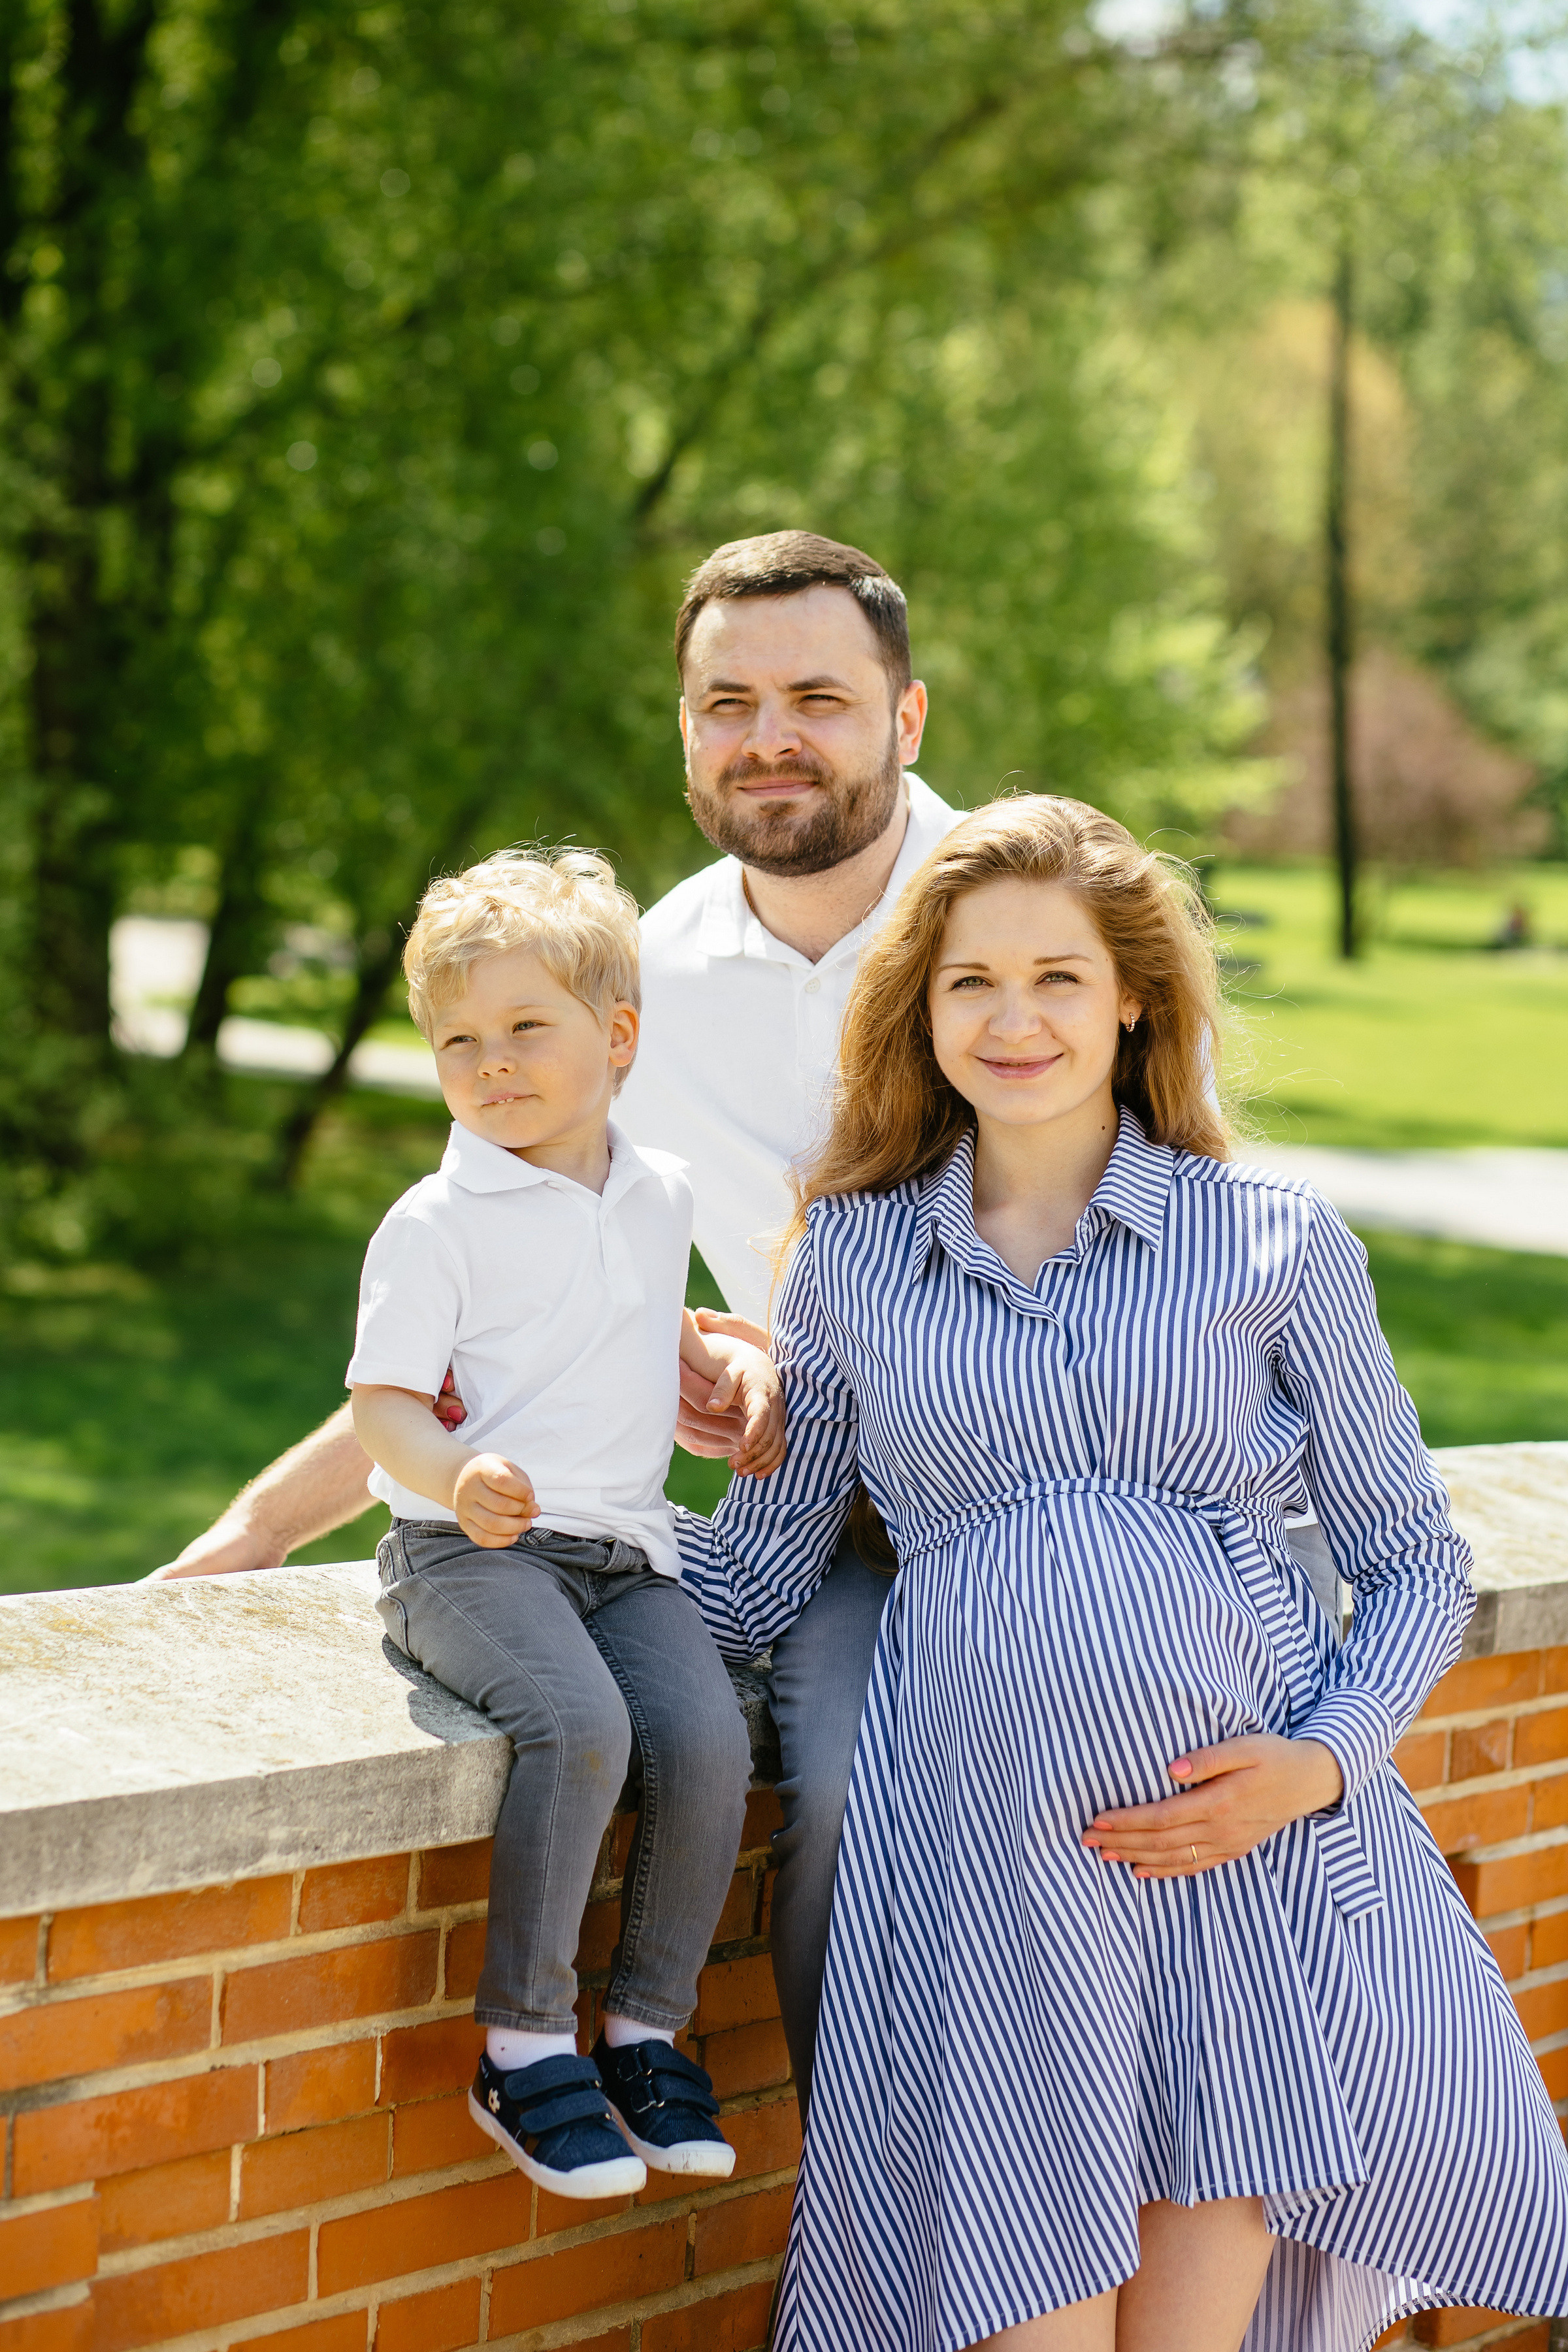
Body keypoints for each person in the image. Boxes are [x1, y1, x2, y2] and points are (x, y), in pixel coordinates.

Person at [678, 794, 1568, 2352]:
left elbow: (1416, 1563)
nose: (1013, 1019)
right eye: (971, 983)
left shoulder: (1274, 1240)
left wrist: (1318, 1768)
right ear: (922, 1006)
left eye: (1059, 979)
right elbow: (761, 1572)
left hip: (1233, 1867)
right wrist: (551, 1509)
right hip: (990, 1867)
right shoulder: (855, 1256)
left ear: (1135, 997)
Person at [152, 531, 960, 2123]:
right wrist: (245, 1542)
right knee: (843, 1802)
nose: (768, 738)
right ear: (684, 730)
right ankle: (883, 2209)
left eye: (819, 697)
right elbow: (484, 1301)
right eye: (726, 702)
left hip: (1058, 1503)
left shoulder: (1009, 931)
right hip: (829, 1532)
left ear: (909, 717)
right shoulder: (634, 981)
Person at [346, 847, 781, 2197]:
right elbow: (382, 1408)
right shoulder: (435, 1222)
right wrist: (454, 1471)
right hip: (466, 1556)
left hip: (628, 1551)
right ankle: (524, 2044)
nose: (493, 1064)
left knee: (709, 1737)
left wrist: (714, 1358)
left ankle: (645, 2027)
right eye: (459, 1040)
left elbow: (636, 1329)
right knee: (581, 1728)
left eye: (528, 1027)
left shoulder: (659, 1195)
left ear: (620, 1036)